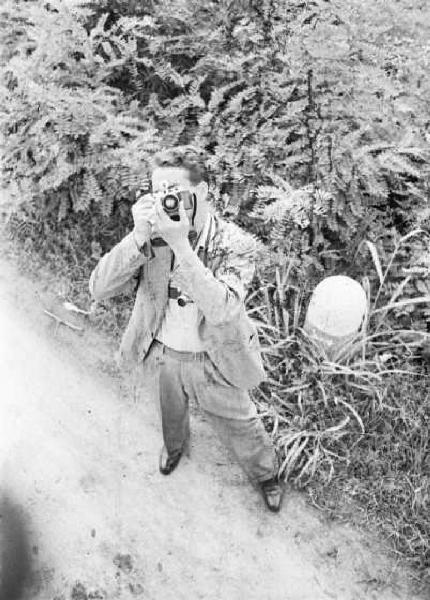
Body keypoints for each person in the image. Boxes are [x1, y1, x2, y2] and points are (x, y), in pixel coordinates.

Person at [89, 145, 283, 512]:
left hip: (214, 357)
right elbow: (98, 289)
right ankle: (174, 448)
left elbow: (223, 310)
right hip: (161, 352)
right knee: (168, 412)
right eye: (160, 193)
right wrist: (136, 238)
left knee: (240, 422)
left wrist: (181, 245)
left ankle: (265, 475)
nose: (167, 203)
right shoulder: (151, 236)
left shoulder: (235, 244)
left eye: (176, 194)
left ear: (203, 192)